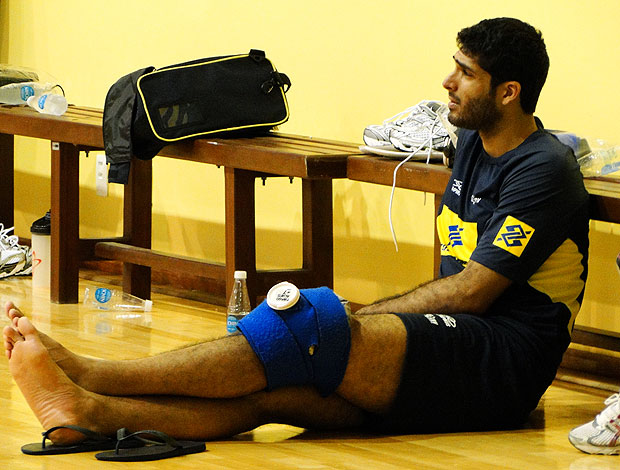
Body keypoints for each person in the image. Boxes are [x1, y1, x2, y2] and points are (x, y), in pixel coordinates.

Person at [3, 17, 589, 447]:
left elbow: (470, 293)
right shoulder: (470, 144)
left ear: (508, 92)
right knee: (273, 398)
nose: (447, 82)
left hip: (503, 360)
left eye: (465, 74)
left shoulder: (543, 168)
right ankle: (91, 412)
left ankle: (91, 374)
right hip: (456, 345)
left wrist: (361, 320)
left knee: (309, 327)